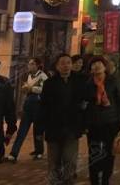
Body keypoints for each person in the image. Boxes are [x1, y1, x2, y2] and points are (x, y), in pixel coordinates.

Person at [84, 56, 120, 185]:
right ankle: (94, 179)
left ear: (105, 67)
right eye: (94, 64)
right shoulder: (88, 84)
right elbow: (85, 104)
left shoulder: (112, 81)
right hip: (93, 123)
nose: (97, 66)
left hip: (111, 121)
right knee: (94, 152)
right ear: (91, 69)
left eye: (99, 63)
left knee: (110, 152)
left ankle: (105, 179)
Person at [41, 53, 85, 185]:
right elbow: (43, 106)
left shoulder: (79, 81)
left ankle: (68, 180)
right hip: (53, 127)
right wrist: (40, 128)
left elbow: (85, 100)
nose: (66, 66)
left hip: (72, 126)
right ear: (57, 66)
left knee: (69, 158)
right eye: (62, 63)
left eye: (68, 63)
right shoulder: (49, 83)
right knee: (54, 160)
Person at [7, 57, 48, 162]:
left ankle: (39, 151)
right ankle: (13, 153)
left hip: (38, 106)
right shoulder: (29, 75)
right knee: (22, 130)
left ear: (38, 65)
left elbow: (45, 89)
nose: (29, 66)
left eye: (32, 64)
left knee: (38, 130)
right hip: (28, 105)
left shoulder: (43, 76)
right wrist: (26, 89)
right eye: (29, 64)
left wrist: (31, 88)